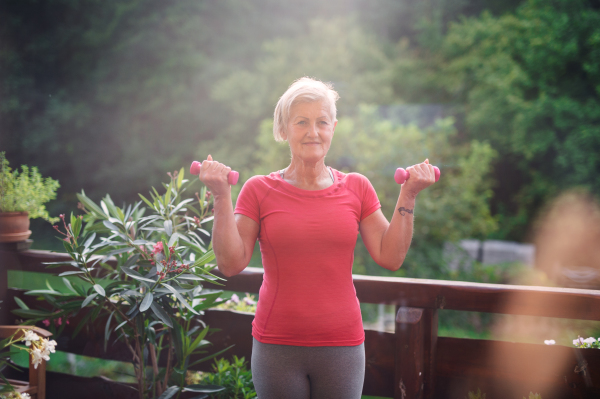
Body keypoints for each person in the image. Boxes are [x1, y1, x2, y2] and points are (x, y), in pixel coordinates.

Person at [198, 77, 436, 399]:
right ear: (284, 129)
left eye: (322, 122)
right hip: (276, 345)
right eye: (302, 122)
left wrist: (408, 194)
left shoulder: (357, 187)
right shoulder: (258, 190)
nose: (313, 132)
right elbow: (229, 263)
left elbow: (390, 256)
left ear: (333, 128)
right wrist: (221, 196)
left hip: (342, 346)